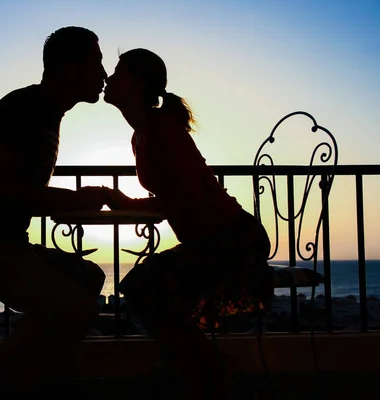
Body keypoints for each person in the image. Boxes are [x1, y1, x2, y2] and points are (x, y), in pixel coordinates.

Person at [0, 27, 109, 395]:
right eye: (96, 63)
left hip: (1, 243)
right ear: (68, 68)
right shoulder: (28, 109)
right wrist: (78, 199)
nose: (104, 75)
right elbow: (0, 190)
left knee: (88, 277)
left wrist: (78, 199)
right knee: (76, 309)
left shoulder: (43, 112)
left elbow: (19, 192)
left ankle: (31, 376)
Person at [103, 48, 273, 399]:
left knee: (142, 288)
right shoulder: (142, 134)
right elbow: (176, 198)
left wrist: (130, 204)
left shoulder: (162, 128)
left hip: (233, 238)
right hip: (211, 240)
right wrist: (128, 204)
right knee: (148, 291)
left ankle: (205, 369)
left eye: (117, 72)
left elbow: (188, 197)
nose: (108, 78)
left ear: (137, 83)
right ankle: (198, 369)